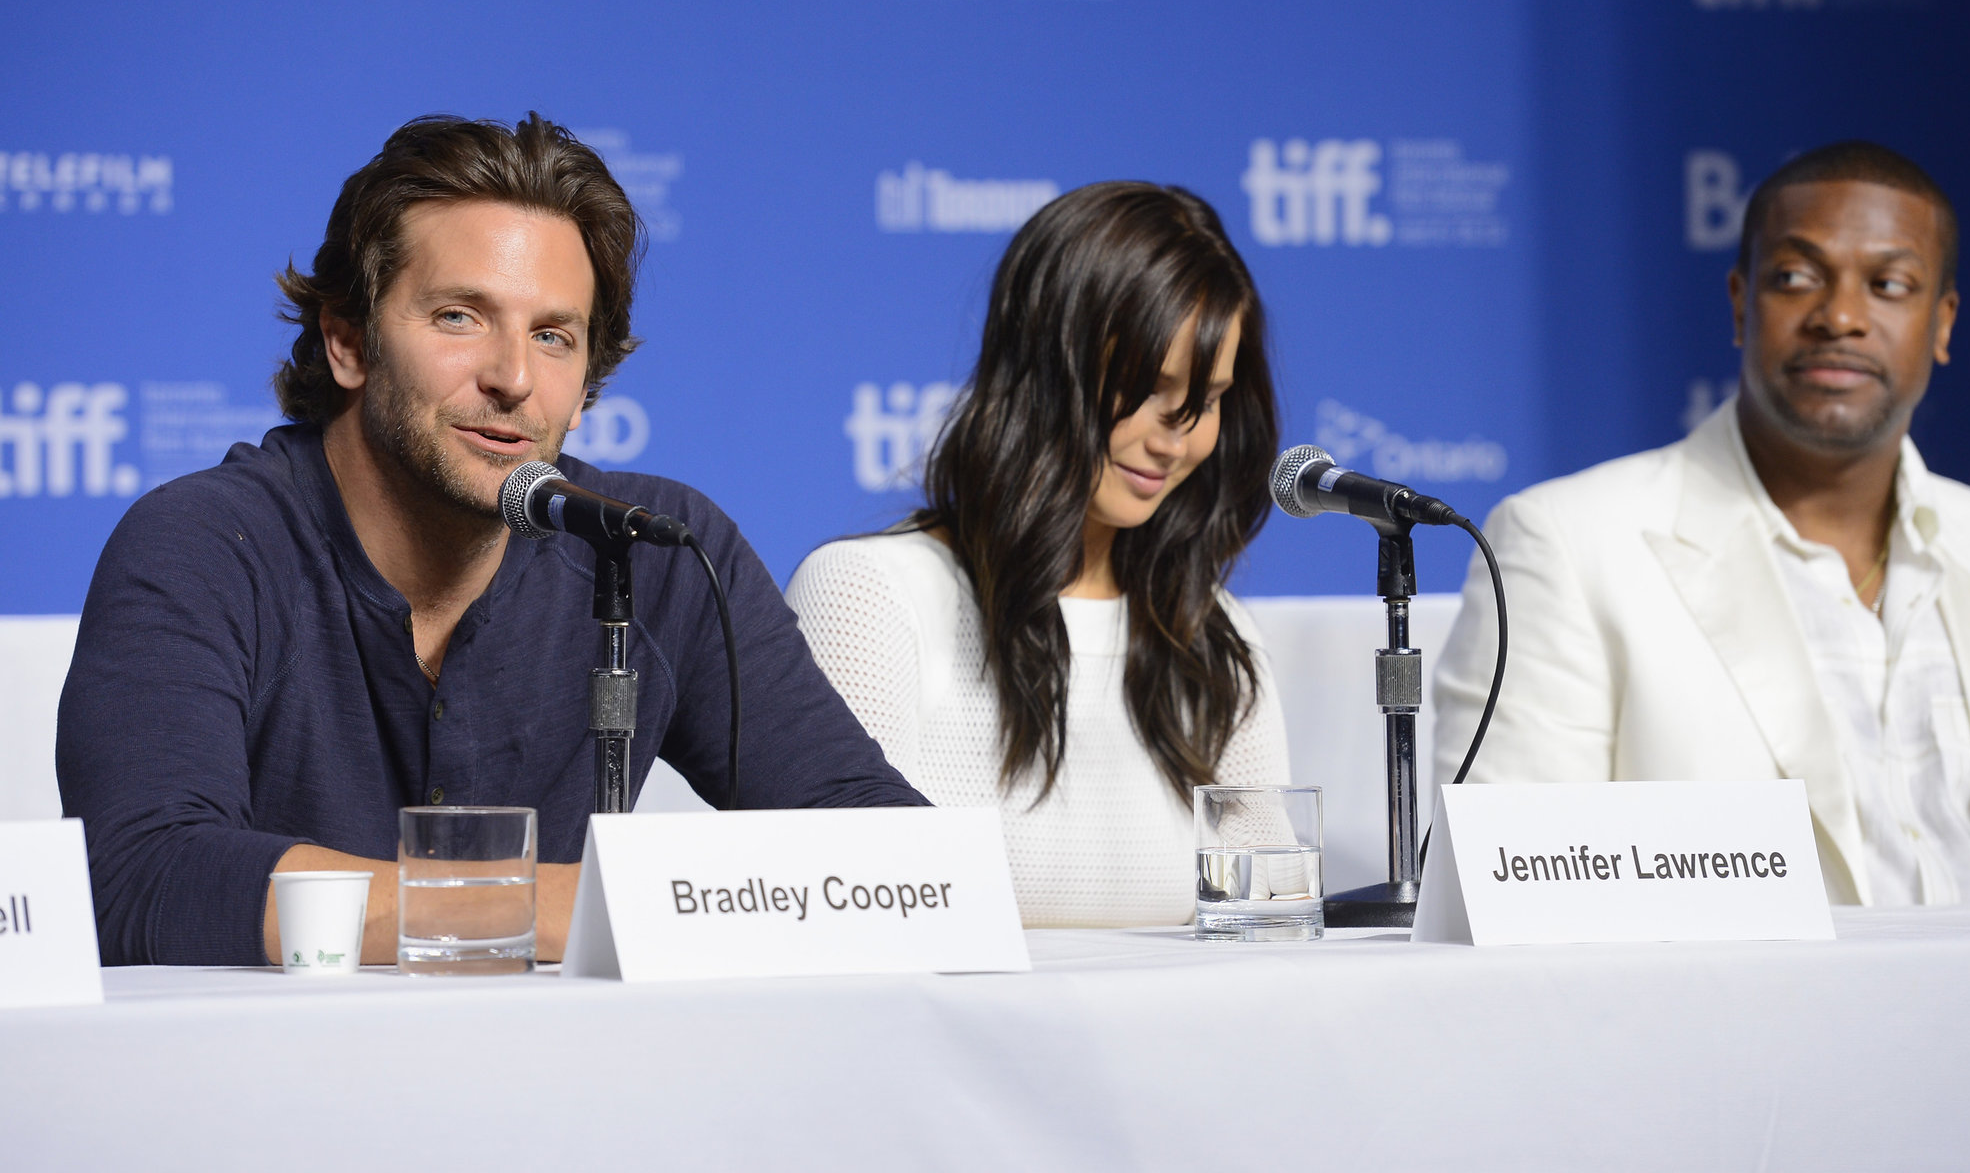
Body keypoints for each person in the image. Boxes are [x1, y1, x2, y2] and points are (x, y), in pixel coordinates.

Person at [56, 114, 924, 967]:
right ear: (348, 342)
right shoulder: (205, 544)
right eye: (460, 317)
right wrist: (561, 903)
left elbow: (893, 858)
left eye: (553, 337)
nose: (513, 379)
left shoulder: (656, 550)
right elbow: (140, 873)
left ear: (587, 386)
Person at [1433, 140, 1970, 905]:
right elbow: (1512, 896)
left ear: (1942, 323)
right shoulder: (1567, 546)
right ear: (1742, 305)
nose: (1841, 316)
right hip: (1727, 1022)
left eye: (1889, 284)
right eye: (1796, 278)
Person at [785, 182, 1291, 926]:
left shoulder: (1215, 639)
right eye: (1151, 388)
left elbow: (1274, 927)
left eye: (1206, 400)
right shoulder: (868, 597)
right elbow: (845, 910)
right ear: (1048, 366)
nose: (1173, 438)